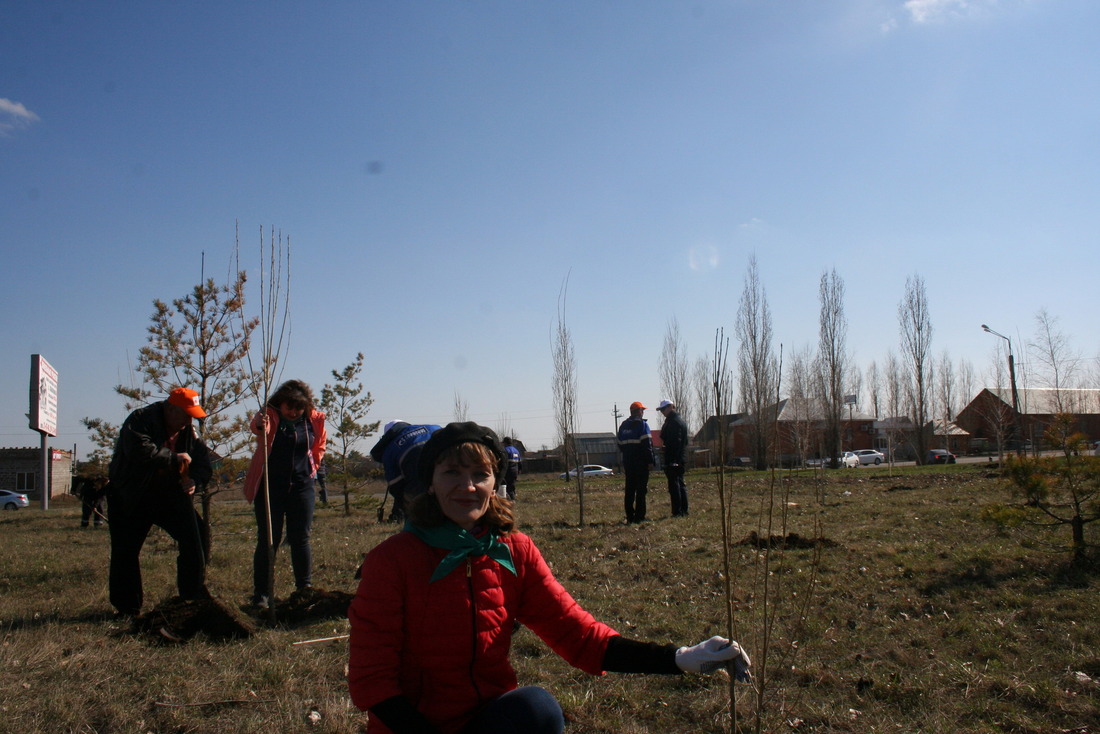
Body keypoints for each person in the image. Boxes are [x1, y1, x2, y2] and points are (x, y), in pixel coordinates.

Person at [348, 422, 750, 734]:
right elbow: (373, 682)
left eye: (479, 473)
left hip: (487, 720)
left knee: (536, 709)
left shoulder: (515, 552)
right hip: (411, 727)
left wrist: (680, 658)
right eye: (451, 472)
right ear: (431, 483)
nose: (467, 486)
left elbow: (579, 635)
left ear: (495, 482)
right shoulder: (392, 562)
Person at [106, 387, 212, 616]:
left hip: (168, 496)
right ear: (170, 409)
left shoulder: (188, 432)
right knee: (126, 550)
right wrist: (174, 458)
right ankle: (127, 608)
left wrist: (195, 481)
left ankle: (190, 598)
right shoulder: (140, 419)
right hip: (131, 494)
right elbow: (138, 451)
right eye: (186, 414)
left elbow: (204, 463)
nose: (188, 420)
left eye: (192, 416)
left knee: (196, 538)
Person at [243, 380, 327, 607]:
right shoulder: (269, 415)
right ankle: (261, 594)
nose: (293, 412)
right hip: (270, 487)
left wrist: (313, 468)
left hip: (302, 486)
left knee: (300, 538)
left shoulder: (314, 420)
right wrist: (262, 424)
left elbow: (319, 445)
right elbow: (257, 427)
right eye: (288, 407)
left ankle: (304, 589)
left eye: (298, 408)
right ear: (279, 403)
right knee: (269, 540)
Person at [369, 420, 441, 523]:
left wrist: (402, 505)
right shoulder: (434, 427)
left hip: (417, 483)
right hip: (448, 471)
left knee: (418, 515)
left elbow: (395, 485)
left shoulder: (389, 450)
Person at [617, 401, 655, 523]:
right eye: (642, 410)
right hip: (641, 463)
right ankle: (640, 517)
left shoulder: (623, 426)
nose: (643, 412)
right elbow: (647, 445)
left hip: (628, 463)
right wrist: (650, 461)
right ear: (638, 412)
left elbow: (619, 444)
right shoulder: (642, 425)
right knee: (641, 490)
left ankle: (630, 516)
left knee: (629, 490)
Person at [656, 399, 689, 517]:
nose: (662, 412)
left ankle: (678, 511)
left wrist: (673, 460)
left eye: (663, 409)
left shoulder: (674, 423)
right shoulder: (678, 421)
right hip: (679, 457)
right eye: (661, 410)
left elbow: (676, 442)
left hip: (674, 459)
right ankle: (683, 510)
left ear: (671, 407)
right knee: (680, 484)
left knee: (675, 486)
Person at [501, 437, 522, 501]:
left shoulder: (505, 450)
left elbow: (502, 462)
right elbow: (520, 463)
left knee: (506, 486)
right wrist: (519, 470)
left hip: (508, 471)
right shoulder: (516, 451)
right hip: (515, 471)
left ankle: (510, 499)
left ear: (505, 443)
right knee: (512, 485)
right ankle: (513, 497)